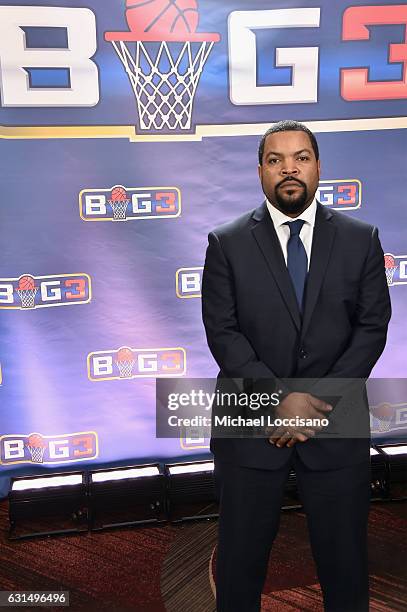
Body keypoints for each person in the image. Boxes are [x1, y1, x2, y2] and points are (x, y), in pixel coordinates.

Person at [201, 120, 391, 612]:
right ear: (260, 172)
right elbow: (224, 333)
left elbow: (371, 329)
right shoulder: (226, 243)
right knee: (240, 567)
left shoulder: (360, 238)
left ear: (318, 166)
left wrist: (314, 402)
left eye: (301, 158)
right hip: (250, 421)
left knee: (345, 565)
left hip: (335, 421)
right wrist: (280, 400)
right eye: (276, 160)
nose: (290, 169)